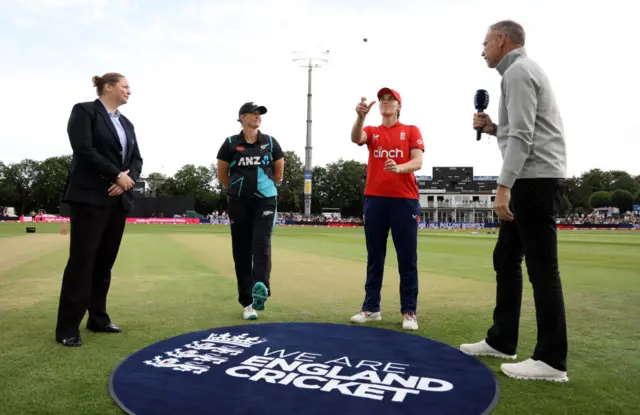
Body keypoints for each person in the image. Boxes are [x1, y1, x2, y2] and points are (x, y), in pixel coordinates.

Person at [459, 20, 569, 382]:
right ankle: (502, 340)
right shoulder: (519, 72)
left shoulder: (518, 73)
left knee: (542, 269)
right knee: (506, 257)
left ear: (502, 40)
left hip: (533, 181)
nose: (482, 49)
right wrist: (492, 128)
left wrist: (503, 185)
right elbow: (519, 128)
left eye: (486, 42)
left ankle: (551, 361)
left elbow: (523, 135)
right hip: (531, 177)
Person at [55, 72, 143, 347]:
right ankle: (67, 327)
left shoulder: (126, 123)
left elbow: (137, 158)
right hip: (90, 199)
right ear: (108, 86)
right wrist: (115, 175)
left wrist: (125, 182)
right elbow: (83, 149)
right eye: (125, 86)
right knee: (82, 263)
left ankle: (98, 318)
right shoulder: (85, 111)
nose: (130, 91)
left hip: (118, 200)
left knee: (104, 264)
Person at [349, 87, 425, 331]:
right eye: (382, 99)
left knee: (407, 258)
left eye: (391, 99)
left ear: (399, 106)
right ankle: (371, 308)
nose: (386, 102)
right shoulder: (372, 131)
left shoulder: (411, 130)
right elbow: (356, 138)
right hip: (375, 199)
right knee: (375, 256)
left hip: (404, 200)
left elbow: (418, 161)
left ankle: (409, 311)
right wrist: (360, 115)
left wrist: (399, 168)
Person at [217, 102, 284, 320]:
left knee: (261, 243)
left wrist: (263, 186)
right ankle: (247, 303)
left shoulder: (271, 143)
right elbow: (222, 174)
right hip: (238, 202)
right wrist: (236, 190)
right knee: (242, 251)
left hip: (265, 200)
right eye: (253, 114)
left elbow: (278, 173)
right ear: (242, 117)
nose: (257, 117)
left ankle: (261, 288)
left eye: (260, 114)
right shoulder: (229, 144)